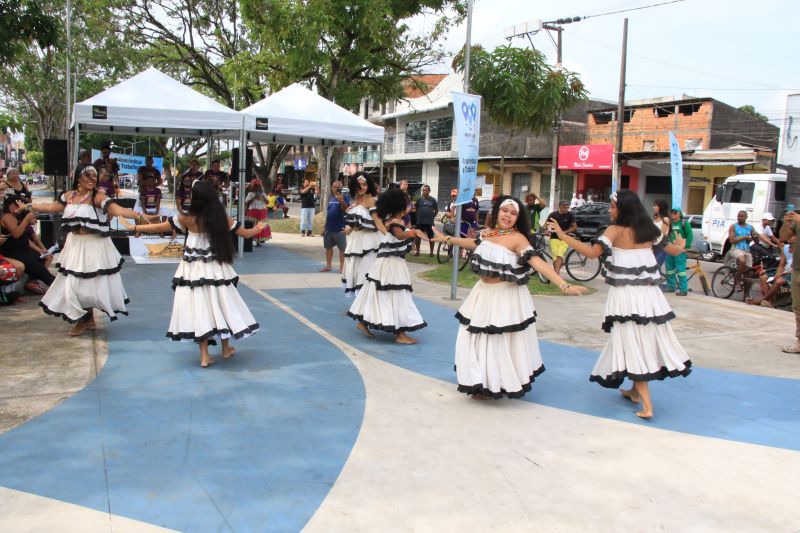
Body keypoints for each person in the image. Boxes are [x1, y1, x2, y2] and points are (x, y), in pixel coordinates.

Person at [548, 190, 691, 419]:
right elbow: (674, 249)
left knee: (632, 343)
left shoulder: (615, 230)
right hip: (651, 298)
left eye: (612, 207)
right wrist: (682, 243)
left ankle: (647, 405)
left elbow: (592, 253)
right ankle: (635, 392)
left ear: (623, 209)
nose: (609, 210)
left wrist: (562, 236)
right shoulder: (649, 230)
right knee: (639, 339)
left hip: (627, 298)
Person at [425, 195, 585, 399]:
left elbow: (539, 263)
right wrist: (446, 239)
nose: (508, 215)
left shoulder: (518, 239)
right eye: (505, 211)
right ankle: (479, 381)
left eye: (513, 213)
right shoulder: (489, 234)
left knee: (496, 342)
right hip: (482, 294)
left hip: (504, 297)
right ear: (497, 211)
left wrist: (564, 285)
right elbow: (473, 243)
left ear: (518, 218)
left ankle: (493, 384)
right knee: (473, 338)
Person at [121, 181, 268, 368]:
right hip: (215, 269)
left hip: (192, 270)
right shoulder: (221, 218)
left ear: (195, 198)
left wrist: (136, 228)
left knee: (200, 309)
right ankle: (225, 348)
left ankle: (205, 356)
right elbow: (246, 234)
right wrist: (259, 228)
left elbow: (159, 228)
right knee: (222, 305)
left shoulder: (186, 219)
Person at [29, 166, 151, 336]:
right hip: (75, 245)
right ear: (78, 177)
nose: (92, 179)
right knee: (75, 284)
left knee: (89, 285)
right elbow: (52, 208)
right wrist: (28, 205)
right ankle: (87, 320)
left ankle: (85, 320)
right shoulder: (69, 196)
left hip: (94, 245)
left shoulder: (97, 196)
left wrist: (137, 215)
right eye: (88, 175)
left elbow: (116, 210)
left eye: (95, 176)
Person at [348, 188, 426, 344]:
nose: (409, 207)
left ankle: (363, 322)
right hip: (392, 265)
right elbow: (399, 235)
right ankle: (400, 334)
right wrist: (412, 233)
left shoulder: (391, 221)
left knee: (379, 294)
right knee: (398, 296)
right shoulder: (395, 223)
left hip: (387, 263)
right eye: (408, 204)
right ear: (401, 207)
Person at [1, 195, 55, 290]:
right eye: (17, 205)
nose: (19, 208)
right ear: (10, 205)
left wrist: (40, 249)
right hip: (14, 252)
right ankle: (54, 283)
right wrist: (26, 220)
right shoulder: (7, 217)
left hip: (23, 250)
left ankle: (33, 281)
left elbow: (25, 238)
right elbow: (16, 234)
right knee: (39, 269)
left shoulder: (17, 216)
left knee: (41, 258)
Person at [341, 173, 380, 296]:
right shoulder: (354, 202)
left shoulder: (372, 200)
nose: (362, 187)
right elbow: (355, 223)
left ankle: (366, 302)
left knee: (366, 269)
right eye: (359, 185)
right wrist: (349, 230)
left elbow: (377, 222)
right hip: (355, 240)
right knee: (356, 269)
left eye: (364, 184)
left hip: (369, 240)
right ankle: (360, 303)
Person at [747, 236, 793, 308]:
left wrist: (785, 273)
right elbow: (781, 265)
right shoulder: (786, 248)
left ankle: (761, 300)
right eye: (789, 243)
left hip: (794, 273)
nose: (790, 245)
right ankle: (769, 302)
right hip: (785, 271)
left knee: (778, 281)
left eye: (792, 244)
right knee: (763, 277)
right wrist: (778, 273)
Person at [779, 209, 800, 354]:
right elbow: (783, 237)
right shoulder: (797, 221)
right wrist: (787, 224)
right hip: (797, 269)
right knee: (798, 308)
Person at [664, 206, 693, 296]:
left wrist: (685, 247)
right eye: (671, 212)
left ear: (680, 214)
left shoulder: (685, 223)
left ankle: (683, 289)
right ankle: (671, 286)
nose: (673, 214)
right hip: (670, 249)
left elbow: (690, 236)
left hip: (680, 251)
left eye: (675, 212)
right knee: (669, 269)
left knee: (681, 270)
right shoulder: (670, 224)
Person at [321, 180, 349, 272]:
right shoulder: (331, 199)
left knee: (342, 249)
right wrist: (324, 227)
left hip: (340, 228)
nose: (336, 189)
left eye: (338, 187)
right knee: (328, 247)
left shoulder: (345, 198)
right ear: (332, 188)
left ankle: (341, 268)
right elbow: (329, 214)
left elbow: (345, 210)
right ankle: (328, 266)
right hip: (329, 228)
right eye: (334, 187)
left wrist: (341, 201)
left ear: (342, 187)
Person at [728, 210, 759, 292]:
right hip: (736, 249)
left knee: (749, 274)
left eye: (742, 216)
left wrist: (756, 236)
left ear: (746, 217)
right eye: (738, 216)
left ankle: (746, 295)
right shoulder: (733, 226)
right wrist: (744, 237)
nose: (740, 218)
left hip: (746, 250)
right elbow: (731, 240)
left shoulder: (750, 227)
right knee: (742, 260)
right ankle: (737, 279)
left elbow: (757, 242)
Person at [545, 200, 577, 275]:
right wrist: (547, 230)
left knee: (560, 253)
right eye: (565, 207)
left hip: (565, 238)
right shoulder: (553, 215)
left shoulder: (570, 215)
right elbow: (546, 224)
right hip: (554, 238)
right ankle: (557, 273)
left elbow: (574, 227)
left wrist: (564, 232)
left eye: (567, 207)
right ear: (560, 207)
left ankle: (555, 274)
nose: (566, 209)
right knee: (555, 256)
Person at [413, 184, 438, 256]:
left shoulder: (433, 200)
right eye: (423, 190)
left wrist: (432, 217)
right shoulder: (419, 200)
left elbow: (436, 211)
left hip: (429, 222)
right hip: (420, 222)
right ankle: (417, 251)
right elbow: (416, 209)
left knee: (431, 237)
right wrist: (419, 216)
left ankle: (431, 252)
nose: (424, 192)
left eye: (426, 190)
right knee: (418, 237)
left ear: (429, 191)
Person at [245, 179, 271, 246]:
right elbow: (247, 203)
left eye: (259, 186)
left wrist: (263, 198)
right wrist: (254, 198)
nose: (258, 187)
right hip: (253, 212)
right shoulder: (250, 194)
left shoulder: (263, 194)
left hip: (262, 211)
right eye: (256, 186)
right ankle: (252, 239)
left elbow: (268, 202)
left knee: (260, 227)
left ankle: (259, 241)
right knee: (253, 226)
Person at [652, 199, 671, 266]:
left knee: (656, 267)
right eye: (654, 206)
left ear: (661, 207)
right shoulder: (655, 218)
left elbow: (661, 234)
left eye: (656, 206)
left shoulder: (666, 219)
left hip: (661, 246)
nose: (653, 207)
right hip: (653, 244)